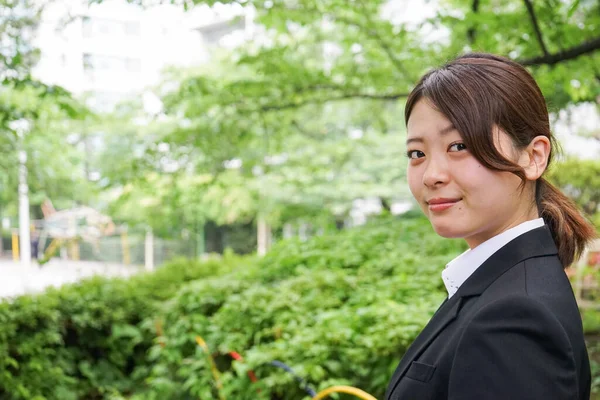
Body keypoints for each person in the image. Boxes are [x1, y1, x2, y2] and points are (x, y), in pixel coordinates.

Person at [385, 53, 597, 400]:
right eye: (417, 154)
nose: (432, 175)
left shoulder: (514, 318)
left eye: (459, 146)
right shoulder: (502, 285)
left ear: (533, 157)